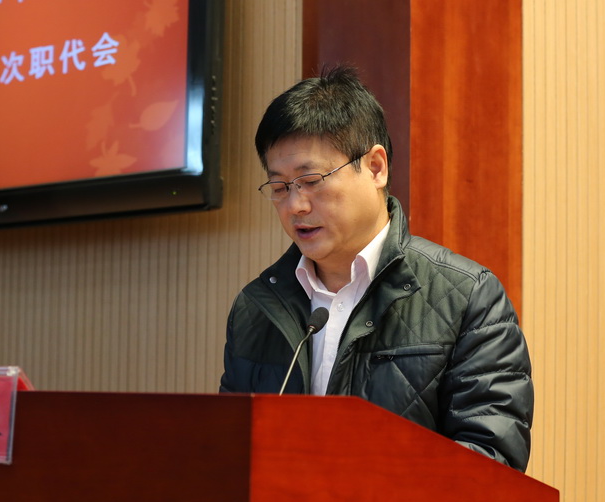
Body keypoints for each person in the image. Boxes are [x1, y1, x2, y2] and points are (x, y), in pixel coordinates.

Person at [219, 65, 533, 472]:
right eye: (279, 188)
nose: (295, 205)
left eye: (311, 180)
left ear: (375, 167)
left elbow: (492, 463)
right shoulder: (257, 307)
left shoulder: (468, 297)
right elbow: (228, 452)